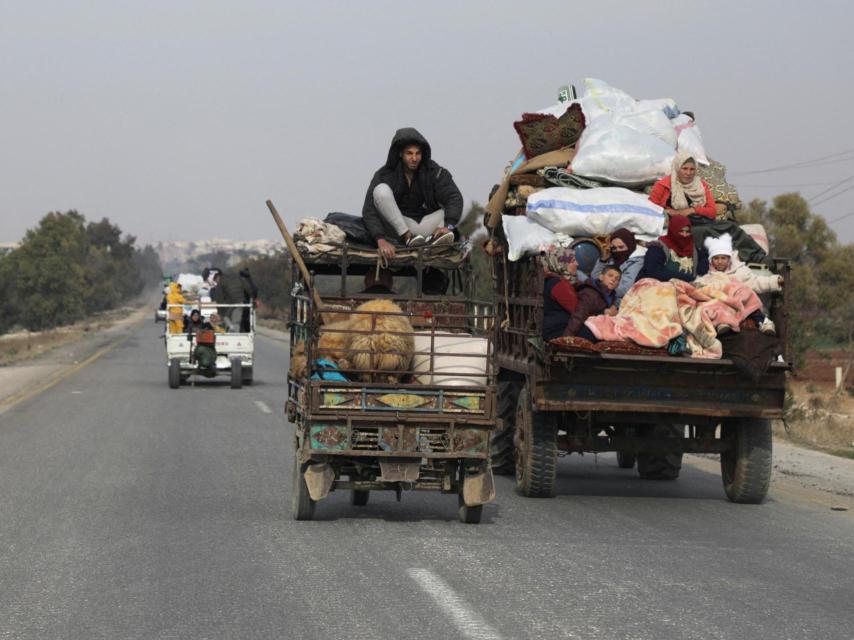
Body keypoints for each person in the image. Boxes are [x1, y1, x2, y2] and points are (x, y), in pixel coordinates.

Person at [649, 151, 768, 264]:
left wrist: (692, 210)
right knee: (705, 232)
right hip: (679, 227)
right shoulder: (663, 186)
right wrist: (671, 213)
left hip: (700, 221)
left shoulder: (701, 185)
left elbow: (711, 212)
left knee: (730, 227)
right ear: (677, 168)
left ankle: (758, 257)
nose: (688, 173)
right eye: (684, 169)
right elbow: (651, 210)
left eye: (692, 169)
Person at [362, 127, 463, 259]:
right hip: (399, 228)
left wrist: (448, 226)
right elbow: (369, 210)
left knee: (463, 205)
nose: (414, 158)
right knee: (381, 190)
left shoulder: (433, 171)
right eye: (409, 153)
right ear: (400, 154)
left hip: (423, 226)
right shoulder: (385, 174)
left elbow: (453, 197)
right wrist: (380, 240)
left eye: (418, 153)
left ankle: (434, 243)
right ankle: (408, 238)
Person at [696, 234, 780, 335]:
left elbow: (755, 281)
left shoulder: (739, 272)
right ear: (711, 260)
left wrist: (775, 281)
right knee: (712, 302)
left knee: (747, 293)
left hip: (739, 304)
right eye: (716, 258)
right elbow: (700, 286)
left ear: (729, 259)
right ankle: (722, 323)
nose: (719, 262)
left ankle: (763, 322)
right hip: (722, 306)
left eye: (723, 258)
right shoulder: (708, 276)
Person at [637, 214, 709, 282]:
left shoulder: (691, 248)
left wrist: (701, 270)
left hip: (686, 287)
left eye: (687, 231)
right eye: (681, 231)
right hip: (660, 287)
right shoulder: (657, 247)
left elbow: (703, 257)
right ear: (673, 231)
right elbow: (654, 271)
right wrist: (689, 278)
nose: (684, 235)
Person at [588, 228, 645, 308]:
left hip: (617, 298)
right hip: (603, 291)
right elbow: (594, 276)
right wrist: (603, 260)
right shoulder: (612, 257)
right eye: (614, 248)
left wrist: (600, 288)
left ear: (630, 245)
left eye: (621, 247)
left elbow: (624, 289)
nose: (618, 251)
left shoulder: (636, 261)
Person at [566, 266, 620, 338]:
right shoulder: (590, 294)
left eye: (617, 279)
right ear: (601, 277)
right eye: (610, 276)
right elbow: (579, 316)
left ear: (618, 284)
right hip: (581, 328)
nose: (613, 279)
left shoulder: (612, 296)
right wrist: (567, 338)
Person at [541, 242, 579, 341]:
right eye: (573, 261)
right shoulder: (559, 284)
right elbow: (577, 309)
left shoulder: (554, 280)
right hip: (558, 330)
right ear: (562, 264)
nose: (577, 264)